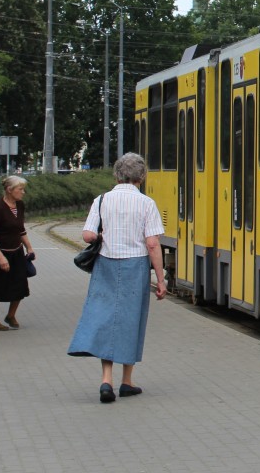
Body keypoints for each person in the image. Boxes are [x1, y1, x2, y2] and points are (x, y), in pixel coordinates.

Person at [68, 152, 167, 404]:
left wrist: (103, 234)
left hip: (106, 265)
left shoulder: (101, 200)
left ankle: (106, 379)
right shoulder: (147, 204)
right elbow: (153, 244)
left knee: (105, 318)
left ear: (116, 174)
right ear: (141, 177)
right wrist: (161, 279)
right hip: (135, 266)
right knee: (131, 320)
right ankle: (127, 381)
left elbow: (88, 235)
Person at [0, 175, 35, 331]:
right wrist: (1, 258)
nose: (23, 192)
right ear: (9, 190)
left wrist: (29, 247)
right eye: (20, 189)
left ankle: (11, 315)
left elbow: (20, 229)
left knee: (20, 284)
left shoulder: (20, 205)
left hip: (16, 250)